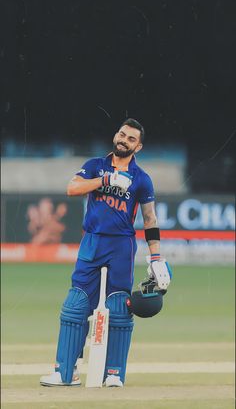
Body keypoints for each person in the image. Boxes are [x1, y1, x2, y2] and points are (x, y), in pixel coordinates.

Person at [40, 118, 171, 388]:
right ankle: (66, 372)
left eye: (131, 138)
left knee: (118, 308)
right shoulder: (94, 166)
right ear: (116, 135)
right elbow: (72, 188)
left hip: (122, 246)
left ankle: (113, 374)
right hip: (92, 241)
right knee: (76, 305)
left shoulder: (142, 179)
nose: (124, 140)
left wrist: (156, 257)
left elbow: (150, 218)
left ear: (139, 146)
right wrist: (106, 179)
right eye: (122, 134)